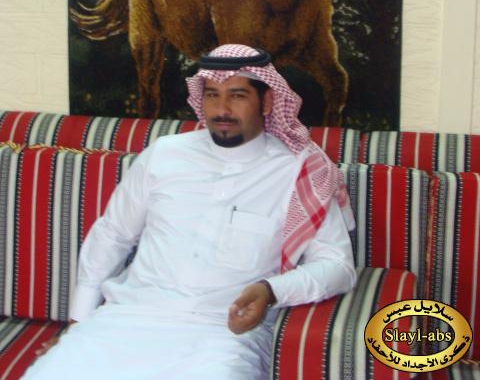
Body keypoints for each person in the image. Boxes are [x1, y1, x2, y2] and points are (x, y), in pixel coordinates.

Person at [24, 44, 356, 380]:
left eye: (237, 95)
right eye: (212, 95)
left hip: (221, 337)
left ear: (267, 101)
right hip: (123, 320)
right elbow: (114, 233)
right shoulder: (164, 154)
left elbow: (337, 265)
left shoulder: (302, 173)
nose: (221, 109)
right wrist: (77, 322)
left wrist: (272, 290)